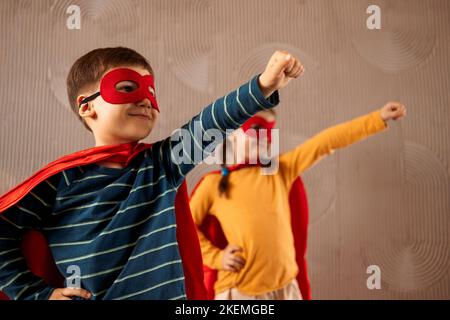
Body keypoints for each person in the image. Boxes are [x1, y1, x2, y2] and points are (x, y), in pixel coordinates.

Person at [0, 47, 303, 300]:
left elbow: (210, 123)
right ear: (87, 108)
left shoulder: (161, 164)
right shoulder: (60, 181)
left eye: (151, 91)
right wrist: (36, 295)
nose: (146, 98)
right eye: (128, 87)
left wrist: (263, 85)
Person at [190, 102, 407, 300]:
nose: (264, 137)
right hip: (240, 293)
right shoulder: (213, 185)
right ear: (234, 135)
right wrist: (218, 258)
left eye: (268, 130)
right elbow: (185, 229)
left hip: (286, 289)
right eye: (256, 129)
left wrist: (378, 118)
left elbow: (325, 142)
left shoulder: (280, 171)